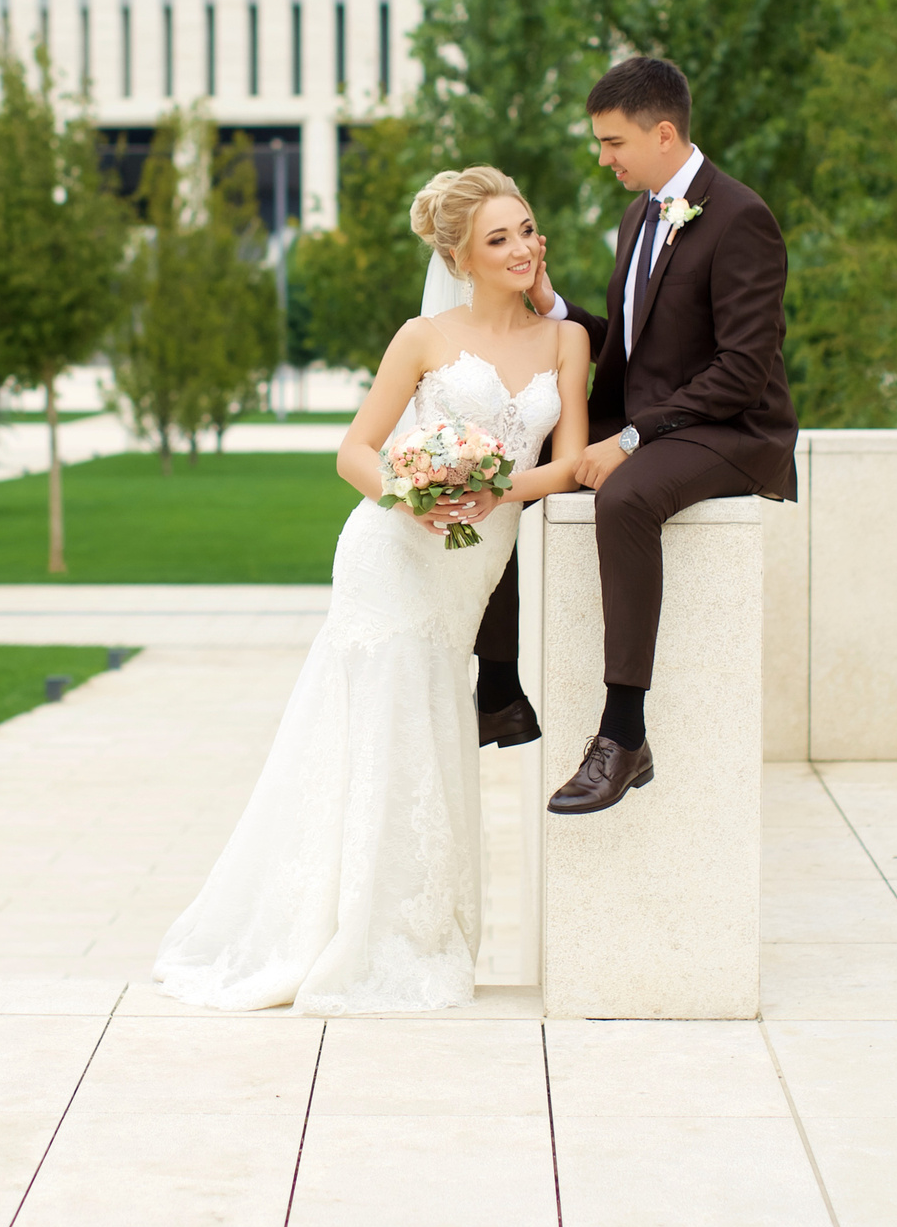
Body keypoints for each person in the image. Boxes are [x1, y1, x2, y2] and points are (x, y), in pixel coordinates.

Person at [155, 167, 590, 1014]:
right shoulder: (422, 336)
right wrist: (409, 494)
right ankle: (356, 934)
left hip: (472, 561)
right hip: (392, 551)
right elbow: (355, 449)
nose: (521, 247)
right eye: (498, 238)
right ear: (460, 258)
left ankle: (411, 925)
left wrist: (496, 490)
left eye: (526, 229)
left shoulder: (565, 341)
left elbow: (570, 463)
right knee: (379, 724)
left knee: (429, 718)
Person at [478, 55, 797, 816]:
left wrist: (627, 441)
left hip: (733, 427)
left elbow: (741, 371)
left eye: (612, 142)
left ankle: (624, 733)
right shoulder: (639, 216)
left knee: (624, 498)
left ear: (662, 134)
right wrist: (553, 306)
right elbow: (629, 349)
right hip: (659, 419)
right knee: (513, 470)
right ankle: (498, 691)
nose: (603, 159)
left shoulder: (741, 218)